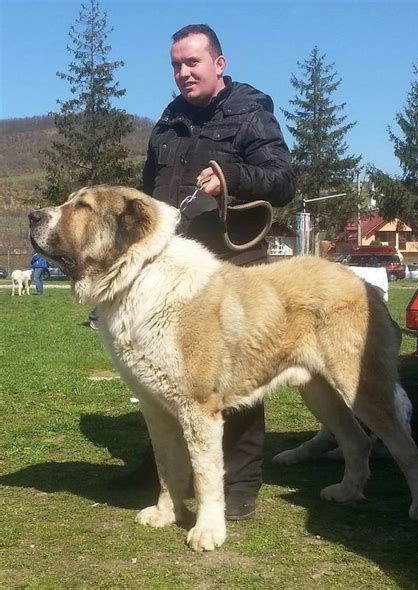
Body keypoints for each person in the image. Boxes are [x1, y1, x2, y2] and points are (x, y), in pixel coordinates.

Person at [127, 24, 295, 520]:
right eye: (176, 65)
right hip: (169, 270)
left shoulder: (249, 111)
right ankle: (165, 473)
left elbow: (283, 181)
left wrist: (233, 180)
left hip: (231, 263)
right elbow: (148, 191)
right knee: (158, 374)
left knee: (231, 377)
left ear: (218, 64)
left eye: (192, 63)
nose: (183, 73)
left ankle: (240, 482)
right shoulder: (168, 119)